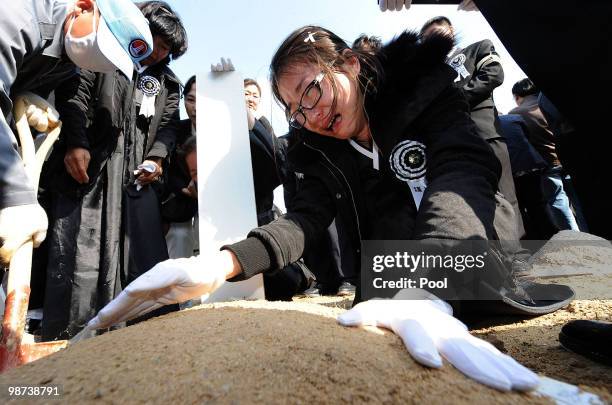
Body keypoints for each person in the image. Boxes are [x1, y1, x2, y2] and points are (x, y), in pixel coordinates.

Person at [85, 25, 579, 391]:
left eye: (313, 91)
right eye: (297, 110)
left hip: (475, 255)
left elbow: (463, 171)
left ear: (348, 65)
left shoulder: (430, 90)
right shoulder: (316, 149)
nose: (313, 116)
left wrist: (426, 286)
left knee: (581, 260)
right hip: (388, 283)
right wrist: (219, 264)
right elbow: (304, 218)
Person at [38, 0, 186, 340]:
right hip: (93, 169)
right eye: (156, 43)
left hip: (137, 179)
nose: (158, 54)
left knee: (141, 255)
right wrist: (76, 143)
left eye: (166, 50)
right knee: (81, 252)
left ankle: (146, 334)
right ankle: (74, 333)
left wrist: (158, 158)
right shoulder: (104, 53)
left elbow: (168, 127)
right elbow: (75, 94)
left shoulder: (168, 84)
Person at [0, 0, 153, 267]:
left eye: (110, 60)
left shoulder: (65, 60)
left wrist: (29, 96)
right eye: (103, 46)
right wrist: (14, 193)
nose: (99, 61)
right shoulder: (16, 18)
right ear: (83, 6)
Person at [420, 16, 525, 239]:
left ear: (450, 31)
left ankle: (518, 254)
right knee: (465, 200)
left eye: (437, 33)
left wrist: (454, 102)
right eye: (427, 38)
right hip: (450, 145)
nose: (433, 40)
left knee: (505, 195)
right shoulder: (428, 73)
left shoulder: (478, 47)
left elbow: (493, 75)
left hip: (485, 132)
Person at [509, 79, 579, 232]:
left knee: (558, 203)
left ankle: (576, 240)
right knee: (578, 201)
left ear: (518, 96)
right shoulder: (549, 103)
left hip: (547, 165)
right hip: (567, 158)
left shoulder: (516, 114)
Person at [162, 75, 199, 259]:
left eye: (202, 101)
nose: (196, 107)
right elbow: (169, 170)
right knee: (179, 236)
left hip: (217, 205)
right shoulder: (176, 130)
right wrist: (184, 189)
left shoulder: (226, 132)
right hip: (182, 204)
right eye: (191, 100)